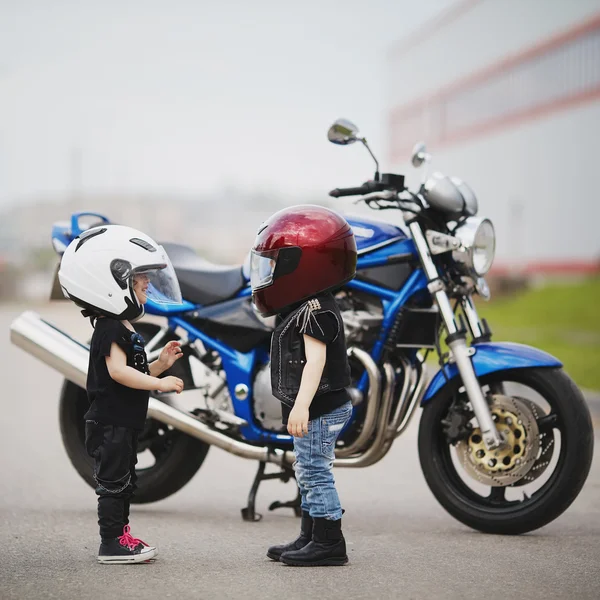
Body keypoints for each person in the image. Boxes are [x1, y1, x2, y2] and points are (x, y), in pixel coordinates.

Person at [58, 224, 185, 564]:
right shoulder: (110, 327)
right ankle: (111, 543)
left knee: (124, 482)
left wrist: (160, 364)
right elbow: (118, 372)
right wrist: (160, 385)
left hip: (121, 423)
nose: (146, 282)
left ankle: (121, 535)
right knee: (113, 484)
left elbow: (134, 374)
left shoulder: (122, 325)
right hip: (109, 424)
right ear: (110, 281)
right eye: (139, 276)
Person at [250, 205, 357, 567]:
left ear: (304, 266)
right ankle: (310, 535)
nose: (271, 273)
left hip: (320, 407)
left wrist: (301, 407)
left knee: (314, 471)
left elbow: (316, 363)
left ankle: (329, 542)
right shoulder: (302, 306)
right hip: (315, 407)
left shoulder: (317, 311)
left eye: (277, 264)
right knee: (307, 470)